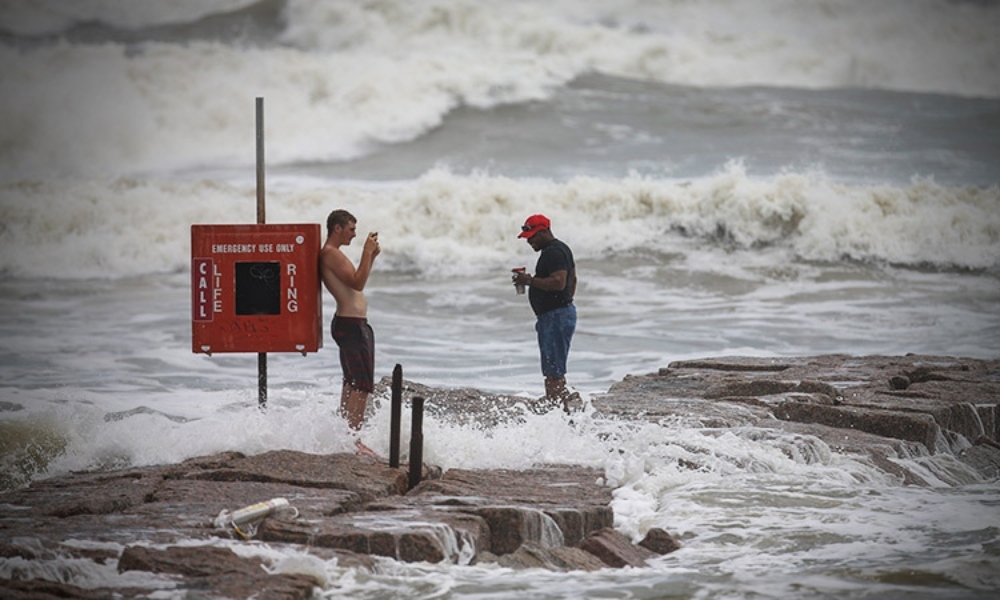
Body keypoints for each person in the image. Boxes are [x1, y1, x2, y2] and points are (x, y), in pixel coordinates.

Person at [320, 209, 381, 456]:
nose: (354, 234)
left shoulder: (334, 254)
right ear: (337, 228)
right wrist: (366, 253)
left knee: (353, 382)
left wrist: (372, 256)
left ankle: (345, 436)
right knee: (362, 384)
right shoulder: (331, 254)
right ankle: (353, 440)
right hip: (350, 324)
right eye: (351, 229)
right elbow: (358, 283)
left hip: (351, 324)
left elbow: (357, 280)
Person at [512, 214, 580, 412]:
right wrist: (567, 301)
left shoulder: (554, 252)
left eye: (533, 236)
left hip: (555, 317)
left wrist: (529, 281)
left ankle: (559, 413)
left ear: (544, 231)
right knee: (553, 370)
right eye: (527, 237)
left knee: (554, 372)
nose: (530, 241)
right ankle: (558, 410)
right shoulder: (561, 249)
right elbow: (572, 279)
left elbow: (559, 282)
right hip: (557, 314)